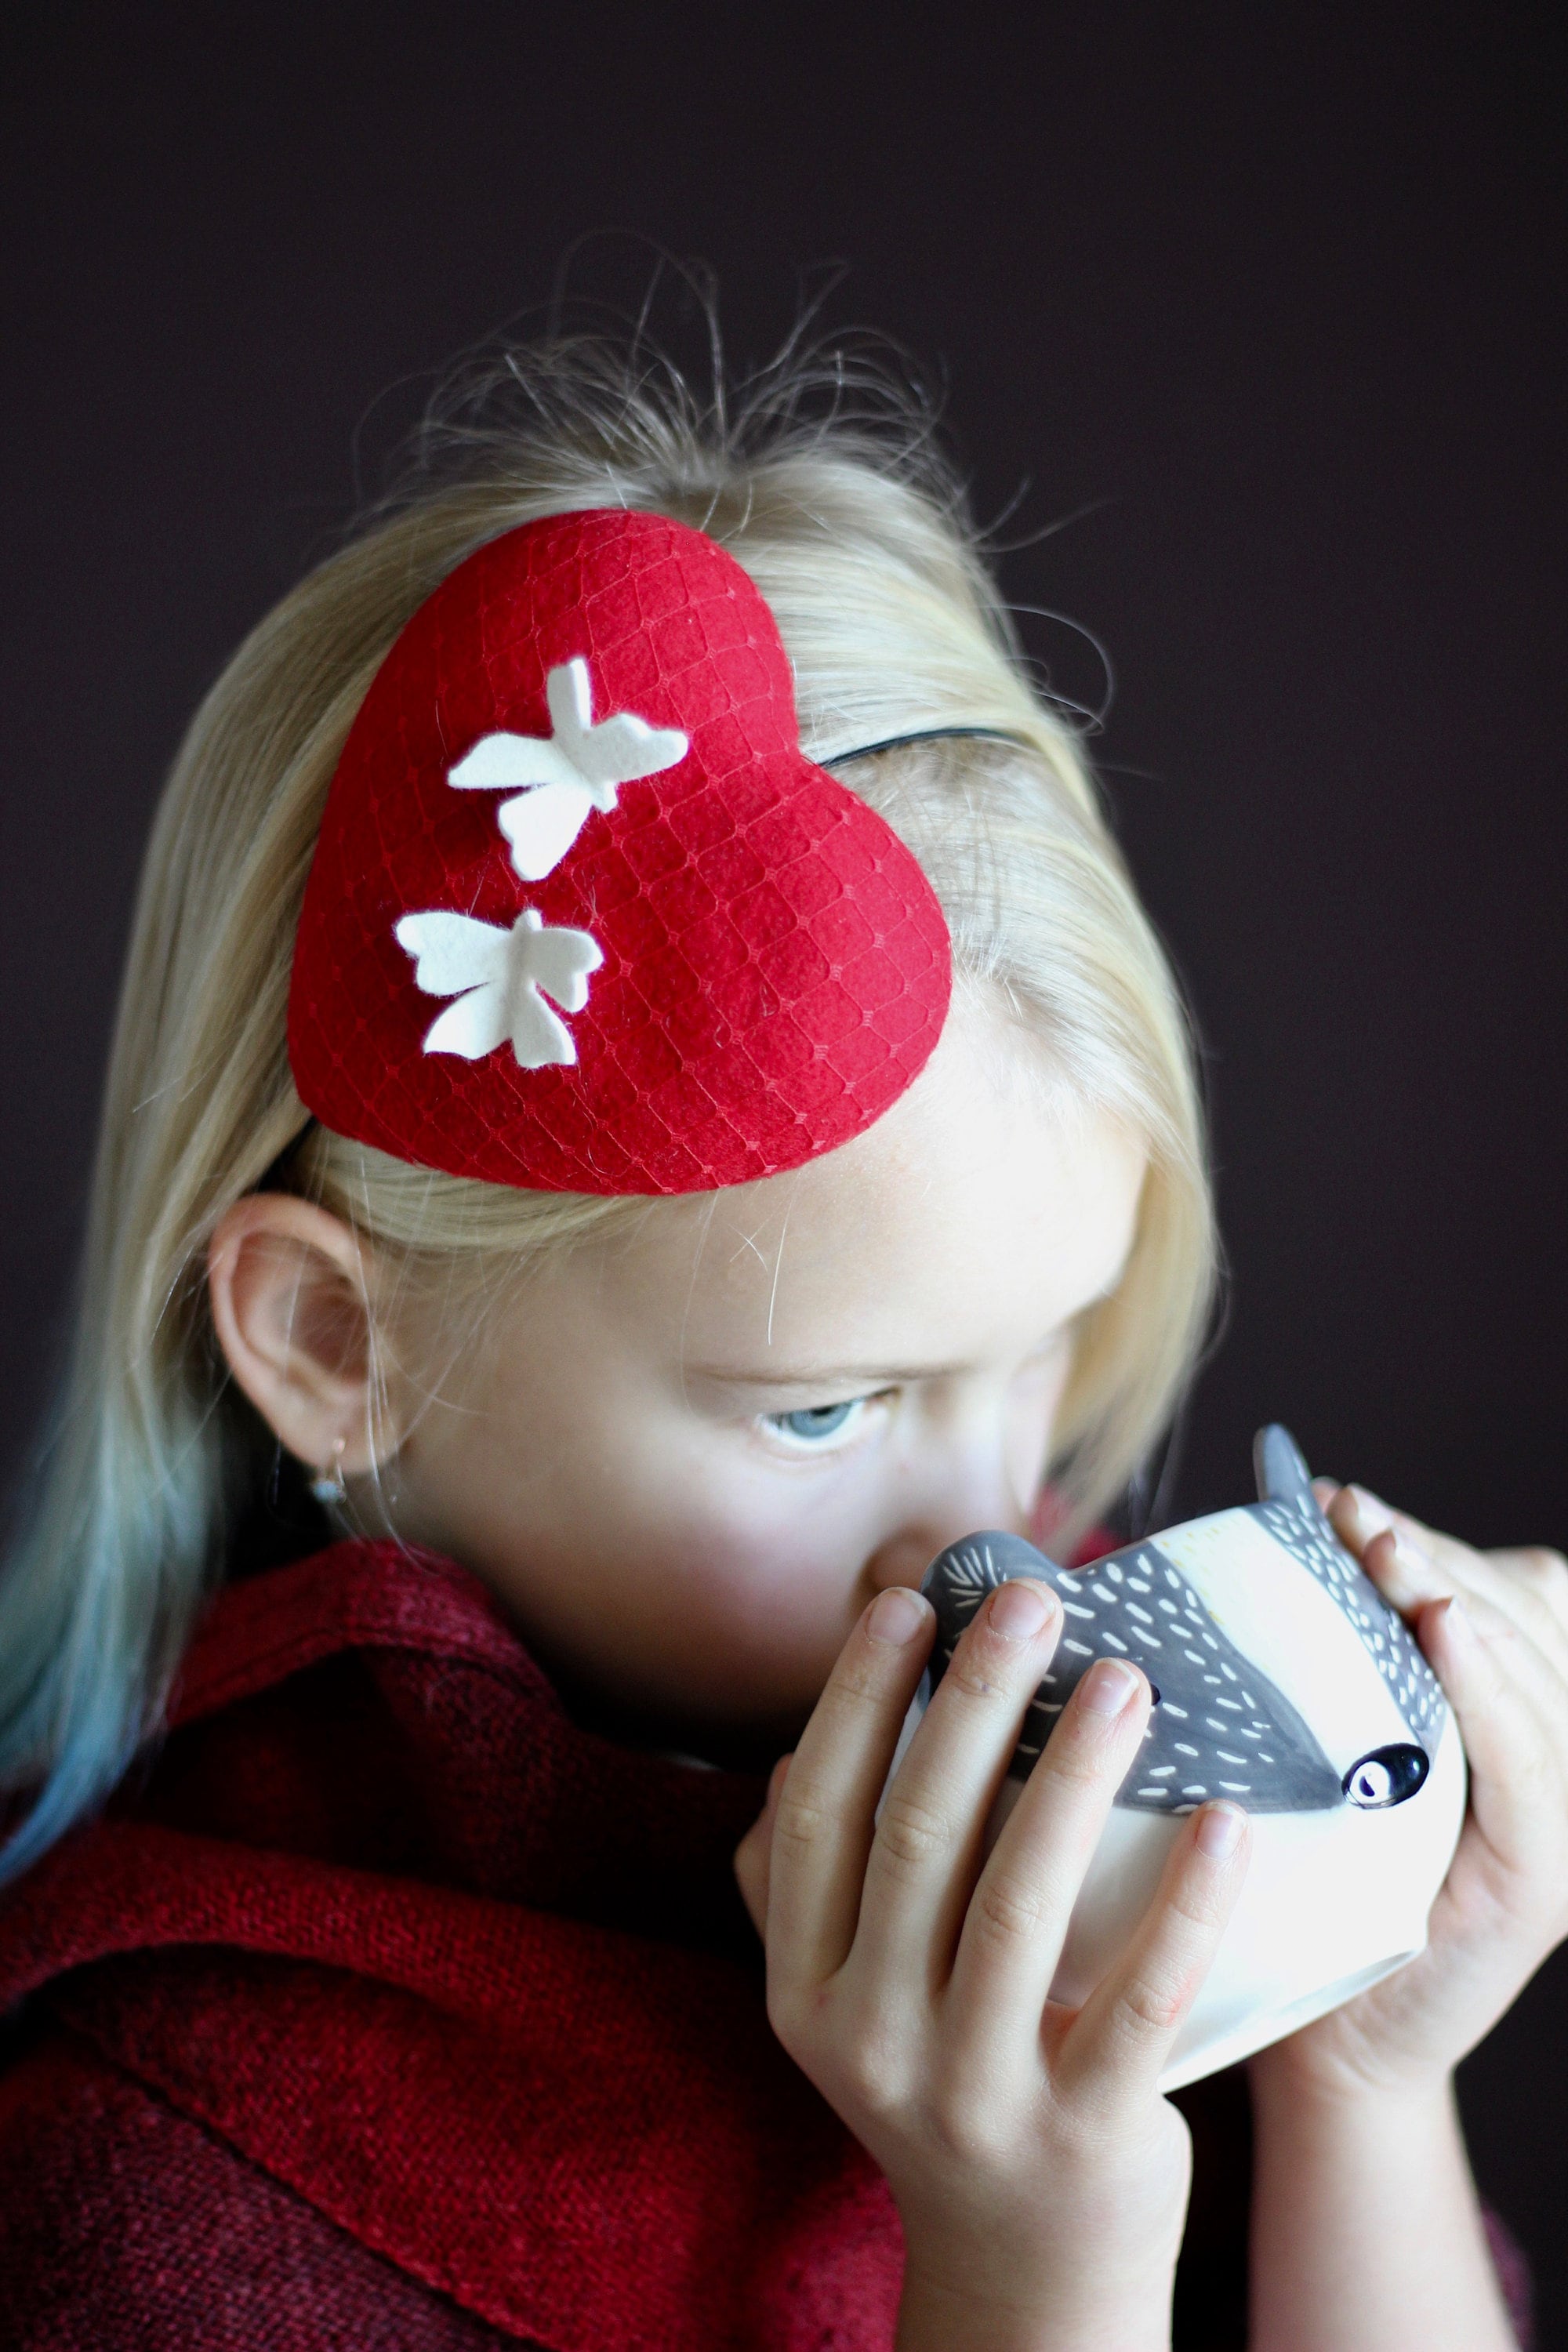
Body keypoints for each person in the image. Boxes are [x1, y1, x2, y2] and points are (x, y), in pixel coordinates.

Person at [0, 336, 1556, 2351]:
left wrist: (1363, 2076)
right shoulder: (151, 2154)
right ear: (327, 1340)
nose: (999, 1537)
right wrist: (1034, 2268)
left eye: (1048, 1357)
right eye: (822, 1409)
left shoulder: (1148, 1796)